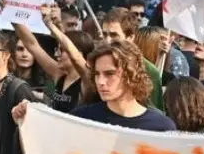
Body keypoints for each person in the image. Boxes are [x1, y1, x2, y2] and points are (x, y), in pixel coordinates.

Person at [43, 42, 176, 132]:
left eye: (109, 74)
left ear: (131, 74)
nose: (100, 81)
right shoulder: (81, 118)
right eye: (96, 74)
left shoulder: (161, 126)